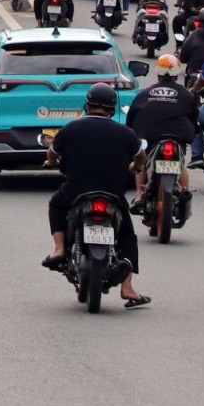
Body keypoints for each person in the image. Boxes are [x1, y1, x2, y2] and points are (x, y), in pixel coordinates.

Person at [39, 83, 148, 308]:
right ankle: (127, 288)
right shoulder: (124, 132)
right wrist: (134, 168)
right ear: (112, 107)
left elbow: (52, 152)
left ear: (87, 104)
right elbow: (141, 158)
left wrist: (51, 162)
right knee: (127, 233)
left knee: (56, 206)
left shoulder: (71, 128)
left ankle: (59, 249)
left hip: (76, 190)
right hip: (112, 193)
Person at [125, 57, 199, 218]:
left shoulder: (145, 93)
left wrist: (131, 132)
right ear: (177, 72)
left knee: (143, 164)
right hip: (177, 137)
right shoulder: (187, 95)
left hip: (151, 136)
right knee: (181, 165)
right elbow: (194, 117)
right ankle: (184, 194)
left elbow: (131, 117)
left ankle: (139, 195)